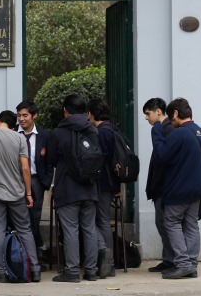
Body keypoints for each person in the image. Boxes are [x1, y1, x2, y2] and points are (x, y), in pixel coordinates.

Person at [0, 110, 41, 283]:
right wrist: (28, 192)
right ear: (13, 126)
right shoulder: (20, 138)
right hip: (17, 191)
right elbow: (25, 168)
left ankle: (2, 272)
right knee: (25, 230)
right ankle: (35, 270)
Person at [150, 97, 201, 280]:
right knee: (191, 225)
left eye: (170, 117)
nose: (170, 121)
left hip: (179, 188)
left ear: (176, 113)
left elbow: (162, 155)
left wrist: (157, 131)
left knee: (172, 222)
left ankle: (183, 264)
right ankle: (191, 265)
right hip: (198, 187)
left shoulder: (179, 133)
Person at [46, 94, 99, 283]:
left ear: (65, 111)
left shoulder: (58, 133)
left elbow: (50, 160)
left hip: (67, 189)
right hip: (90, 188)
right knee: (89, 229)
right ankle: (91, 271)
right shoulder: (93, 131)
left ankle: (72, 271)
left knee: (70, 230)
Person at [86, 98, 119, 279]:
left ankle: (107, 259)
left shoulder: (100, 132)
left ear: (91, 114)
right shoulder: (112, 129)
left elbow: (99, 158)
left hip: (100, 182)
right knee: (103, 220)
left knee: (99, 221)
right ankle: (109, 261)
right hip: (110, 181)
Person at [142, 97, 175, 274]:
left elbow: (164, 159)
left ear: (158, 111)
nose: (147, 118)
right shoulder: (167, 128)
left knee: (166, 224)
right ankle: (169, 259)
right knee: (163, 224)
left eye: (148, 114)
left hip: (165, 187)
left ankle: (173, 260)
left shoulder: (164, 129)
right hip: (161, 187)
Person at [15, 101, 52, 261]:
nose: (22, 119)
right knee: (21, 215)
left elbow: (49, 160)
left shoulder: (45, 135)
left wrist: (47, 181)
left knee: (35, 215)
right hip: (17, 180)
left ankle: (35, 250)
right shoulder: (14, 134)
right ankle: (34, 248)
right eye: (19, 116)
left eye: (25, 115)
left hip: (37, 180)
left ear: (34, 115)